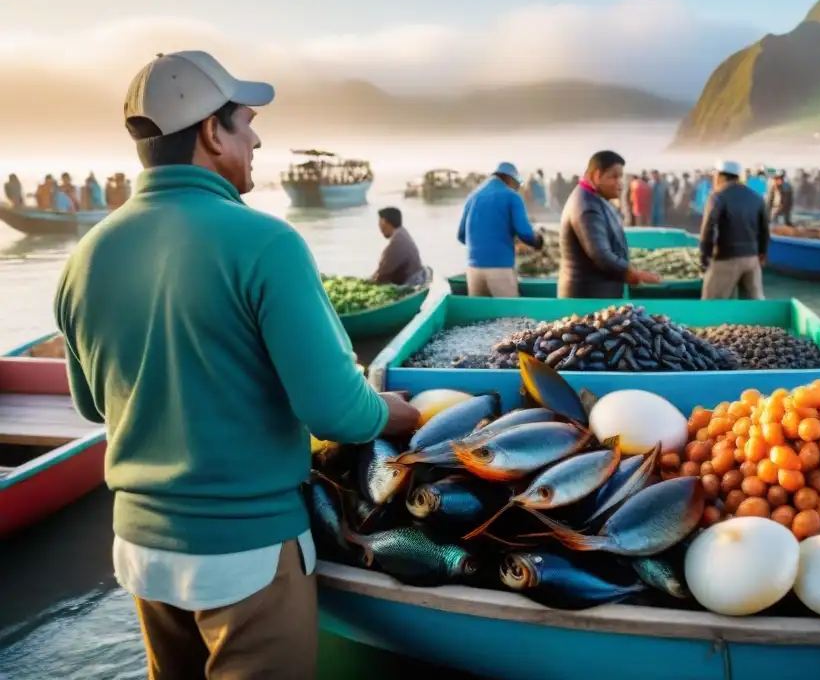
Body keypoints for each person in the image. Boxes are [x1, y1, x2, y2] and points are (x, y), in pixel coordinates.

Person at [52, 50, 420, 679]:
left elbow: (92, 406)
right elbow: (337, 411)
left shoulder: (86, 254)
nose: (256, 137)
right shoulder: (265, 243)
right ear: (210, 132)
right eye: (245, 121)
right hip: (244, 551)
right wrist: (401, 414)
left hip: (139, 547)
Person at [558, 150, 660, 299]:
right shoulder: (586, 206)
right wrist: (631, 274)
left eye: (621, 177)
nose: (620, 183)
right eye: (614, 177)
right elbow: (600, 254)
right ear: (597, 175)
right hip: (588, 298)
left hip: (599, 294)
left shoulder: (595, 198)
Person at [457, 162, 542, 297]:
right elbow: (525, 232)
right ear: (509, 178)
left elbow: (461, 236)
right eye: (516, 184)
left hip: (473, 270)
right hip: (500, 269)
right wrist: (538, 240)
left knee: (480, 315)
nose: (517, 187)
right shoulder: (511, 196)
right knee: (511, 316)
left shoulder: (473, 196)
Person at [699, 160, 769, 300]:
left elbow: (708, 230)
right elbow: (764, 230)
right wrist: (761, 253)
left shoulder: (718, 196)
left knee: (712, 306)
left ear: (720, 176)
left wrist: (704, 258)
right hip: (751, 259)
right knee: (754, 307)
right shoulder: (755, 197)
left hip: (726, 259)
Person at [370, 206, 426, 286]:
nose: (379, 228)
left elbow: (382, 274)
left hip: (411, 284)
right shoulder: (402, 233)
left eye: (379, 222)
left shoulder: (397, 242)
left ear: (383, 222)